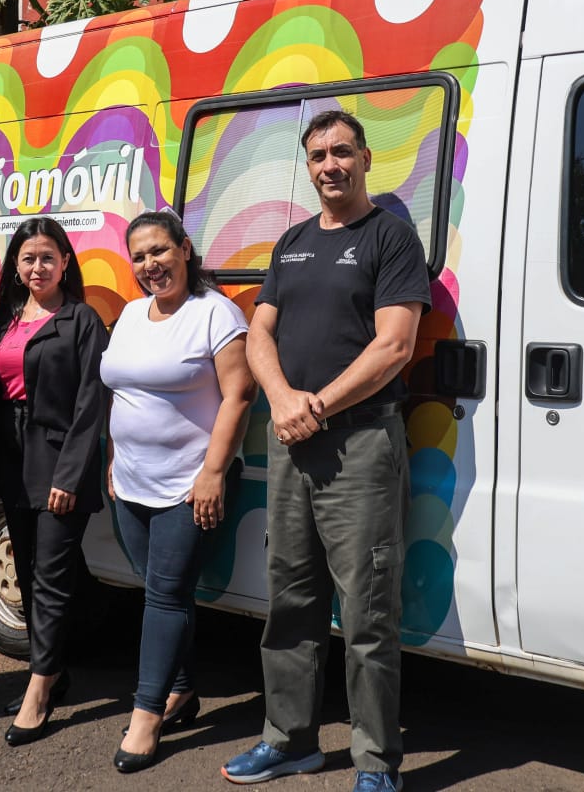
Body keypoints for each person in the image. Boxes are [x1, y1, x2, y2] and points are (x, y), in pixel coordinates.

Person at [221, 110, 430, 792]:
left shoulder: (390, 238)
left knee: (367, 614)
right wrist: (284, 400)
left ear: (366, 158)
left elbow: (395, 346)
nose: (330, 165)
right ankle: (289, 741)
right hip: (294, 445)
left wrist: (315, 407)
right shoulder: (293, 242)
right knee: (290, 601)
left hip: (361, 444)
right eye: (317, 155)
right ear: (307, 167)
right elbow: (259, 333)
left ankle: (375, 763)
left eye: (342, 151)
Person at [101, 211, 255, 774]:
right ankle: (182, 687)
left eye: (160, 251)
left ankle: (146, 715)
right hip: (130, 482)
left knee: (164, 596)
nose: (150, 265)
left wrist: (213, 472)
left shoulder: (215, 313)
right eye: (139, 256)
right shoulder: (130, 314)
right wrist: (114, 456)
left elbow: (239, 395)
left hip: (188, 486)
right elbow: (122, 392)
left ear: (185, 249)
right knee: (160, 589)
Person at [0, 216, 108, 747]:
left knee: (51, 577)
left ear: (65, 262)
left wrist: (69, 475)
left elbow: (91, 403)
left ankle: (38, 688)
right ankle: (53, 671)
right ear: (15, 265)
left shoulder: (81, 320)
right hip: (12, 457)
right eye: (28, 258)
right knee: (28, 570)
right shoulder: (5, 319)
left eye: (47, 258)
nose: (37, 267)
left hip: (58, 459)